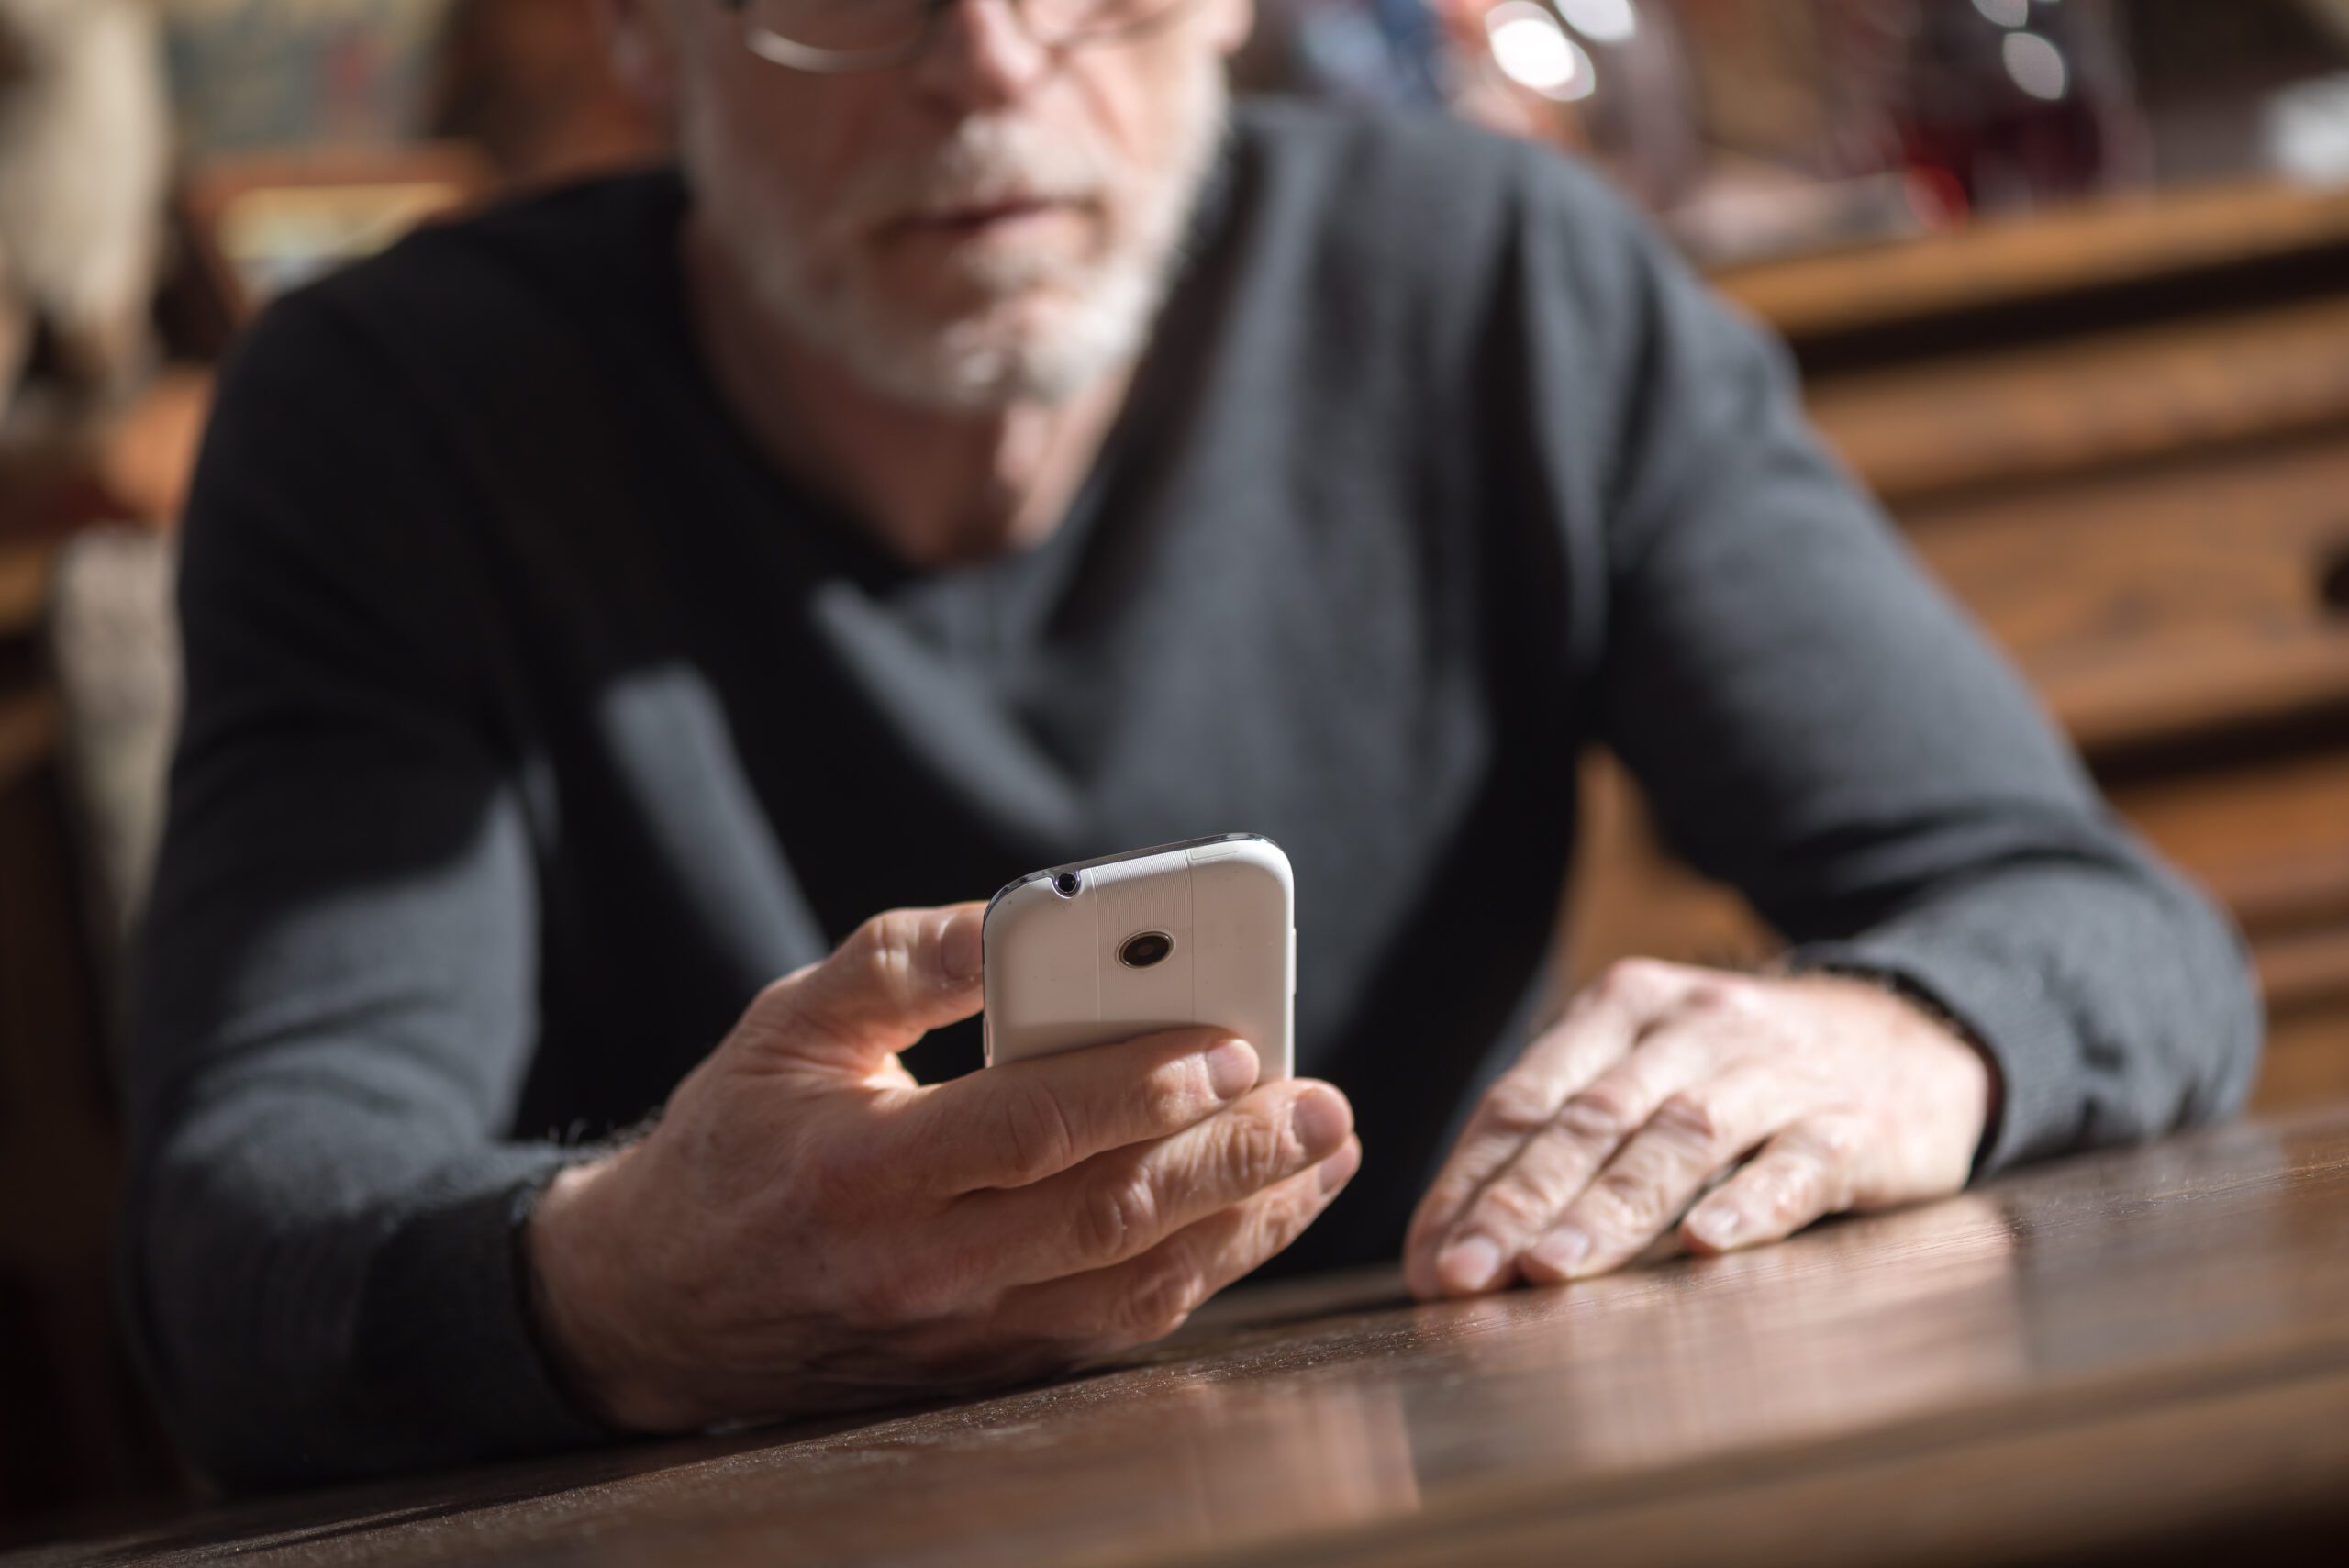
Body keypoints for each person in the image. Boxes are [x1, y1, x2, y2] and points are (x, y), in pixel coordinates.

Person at [123, 0, 2260, 1486]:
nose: (985, 62)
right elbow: (248, 1245)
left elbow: (2098, 928)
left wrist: (1890, 1040)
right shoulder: (391, 416)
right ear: (644, 33)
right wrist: (633, 1287)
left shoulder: (1508, 286)